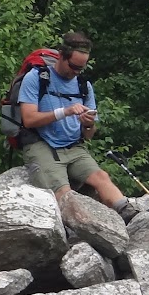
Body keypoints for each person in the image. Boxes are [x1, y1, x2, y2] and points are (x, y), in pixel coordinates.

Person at [17, 31, 137, 227]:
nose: (76, 72)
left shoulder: (83, 85)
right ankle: (85, 229)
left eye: (81, 68)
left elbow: (88, 135)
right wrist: (64, 112)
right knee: (64, 192)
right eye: (73, 67)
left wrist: (88, 123)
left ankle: (129, 214)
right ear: (61, 56)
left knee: (101, 177)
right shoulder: (37, 78)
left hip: (74, 146)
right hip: (42, 144)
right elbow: (29, 119)